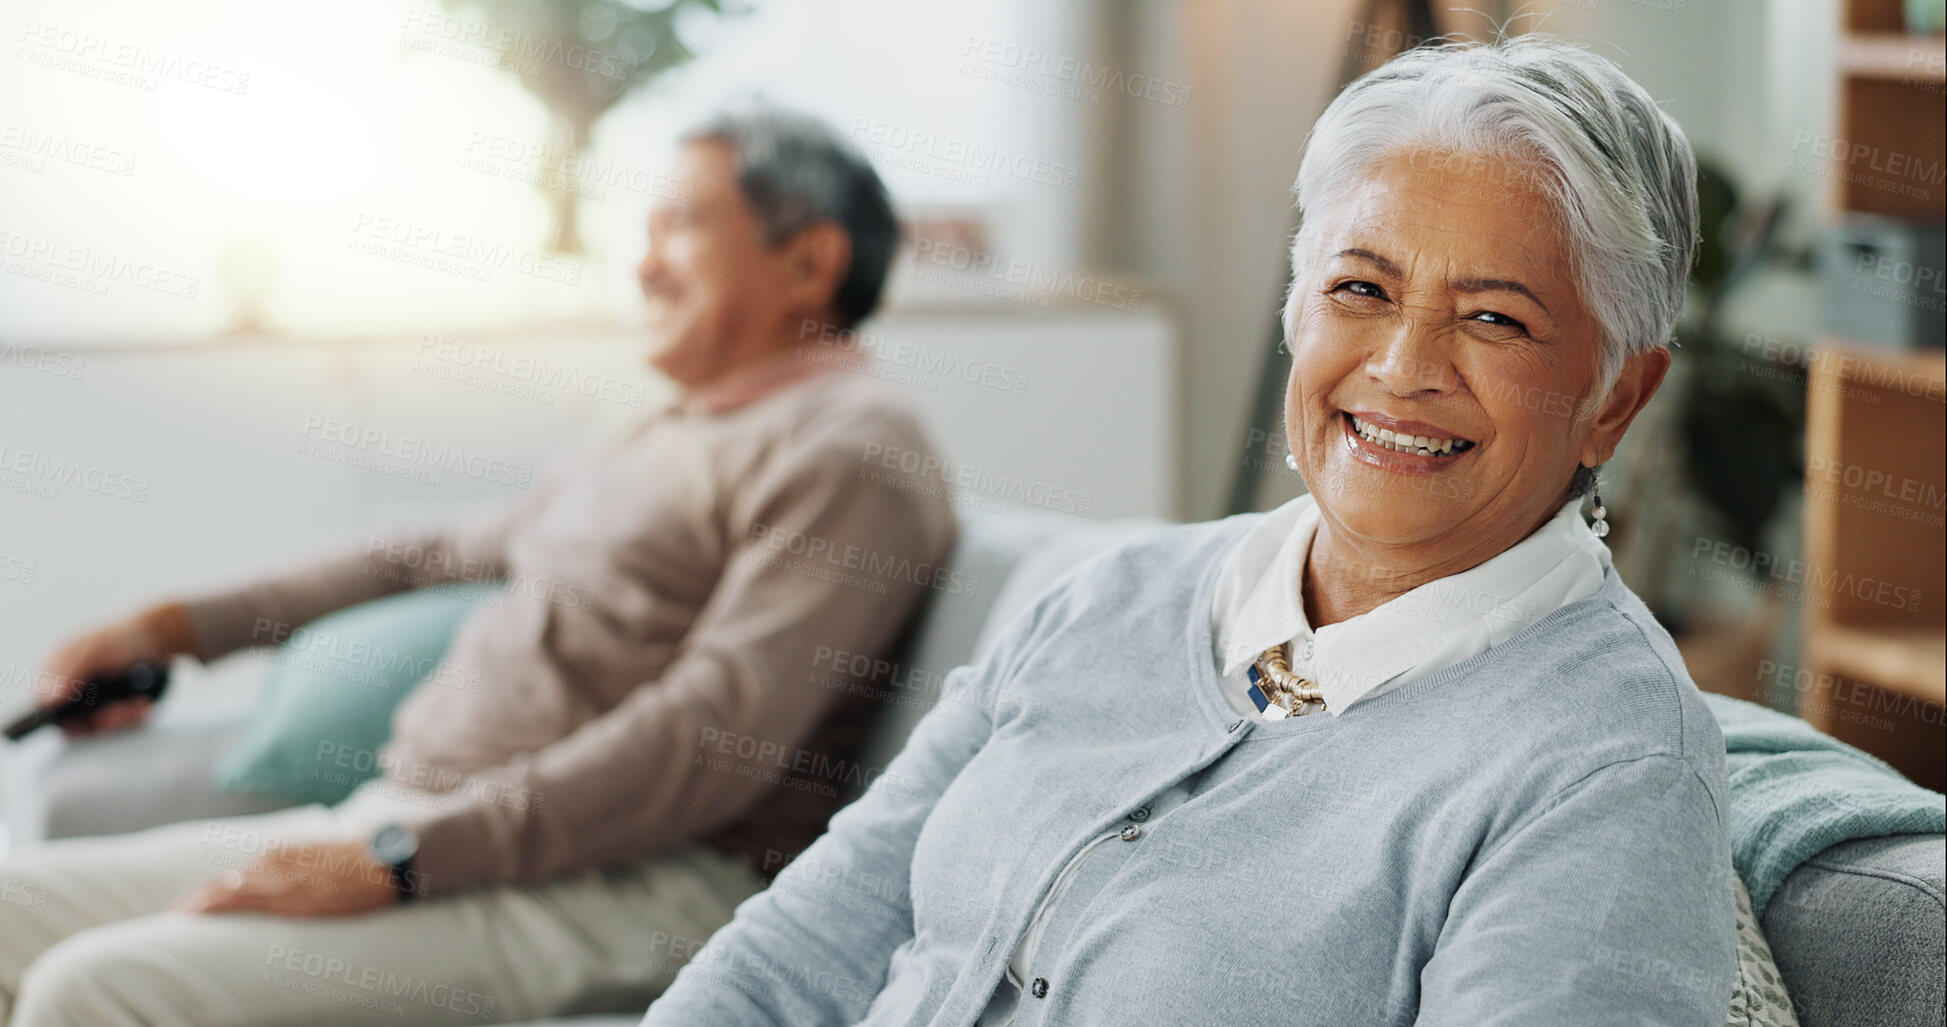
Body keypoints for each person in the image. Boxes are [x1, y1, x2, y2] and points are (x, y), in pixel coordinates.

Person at [646, 36, 1738, 1027]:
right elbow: (796, 956)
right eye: (1361, 288)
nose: (1403, 370)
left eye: (1495, 319)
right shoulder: (1103, 595)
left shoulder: (1611, 768)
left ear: (1615, 399)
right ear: (1295, 309)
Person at [0, 106, 958, 1026]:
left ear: (809, 261)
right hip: (429, 828)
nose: (645, 263)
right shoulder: (665, 430)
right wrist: (172, 628)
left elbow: (713, 734)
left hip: (626, 880)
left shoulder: (850, 450)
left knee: (98, 993)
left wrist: (403, 858)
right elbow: (426, 557)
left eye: (680, 224)